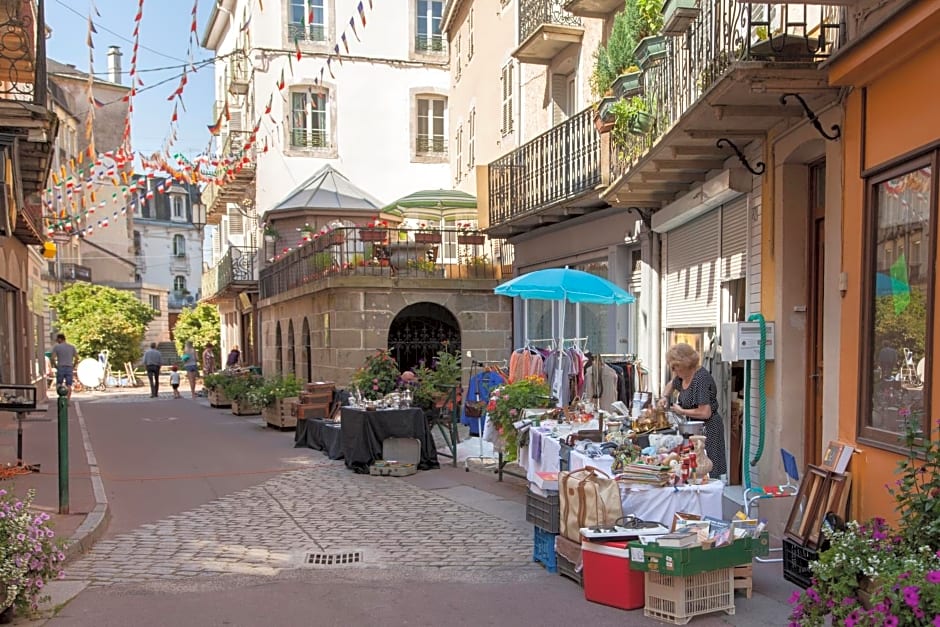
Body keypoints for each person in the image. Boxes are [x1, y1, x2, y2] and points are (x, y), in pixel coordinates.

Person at [659, 343, 727, 480]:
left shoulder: (701, 379)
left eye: (676, 367)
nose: (674, 371)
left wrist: (682, 411)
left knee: (706, 470)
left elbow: (705, 412)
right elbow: (671, 384)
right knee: (691, 469)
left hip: (708, 430)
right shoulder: (683, 376)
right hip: (693, 430)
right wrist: (665, 397)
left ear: (685, 364)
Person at [50, 333, 78, 399]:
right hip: (69, 367)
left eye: (57, 340)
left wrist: (55, 365)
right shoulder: (72, 347)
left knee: (59, 383)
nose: (57, 341)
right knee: (69, 385)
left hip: (60, 367)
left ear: (60, 339)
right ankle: (68, 400)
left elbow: (52, 358)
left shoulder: (57, 347)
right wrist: (73, 365)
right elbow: (77, 358)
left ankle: (61, 397)